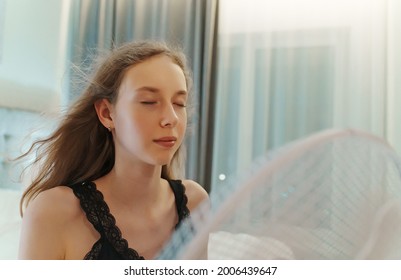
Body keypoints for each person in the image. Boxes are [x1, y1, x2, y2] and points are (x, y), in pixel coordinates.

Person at [17, 41, 209, 260]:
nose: (171, 118)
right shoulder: (53, 212)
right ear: (107, 114)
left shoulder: (195, 203)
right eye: (149, 102)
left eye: (179, 103)